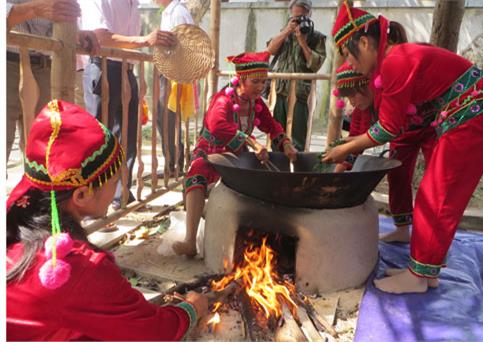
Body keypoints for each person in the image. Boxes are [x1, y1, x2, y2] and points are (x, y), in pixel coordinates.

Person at [326, 2, 483, 294]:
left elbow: (389, 128)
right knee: (435, 193)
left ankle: (417, 277)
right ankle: (424, 271)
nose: (349, 63)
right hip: (462, 118)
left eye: (347, 54)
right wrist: (350, 147)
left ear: (365, 43)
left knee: (438, 196)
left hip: (472, 116)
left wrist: (347, 148)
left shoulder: (395, 62)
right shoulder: (390, 64)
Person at [7, 100, 208, 340]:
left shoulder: (17, 213)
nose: (119, 186)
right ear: (81, 194)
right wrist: (191, 308)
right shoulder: (76, 268)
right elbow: (155, 333)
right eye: (115, 181)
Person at [172, 51, 298, 257]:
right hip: (211, 150)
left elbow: (271, 125)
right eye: (256, 82)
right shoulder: (223, 99)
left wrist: (285, 143)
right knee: (196, 173)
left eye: (264, 82)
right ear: (241, 79)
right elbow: (217, 125)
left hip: (236, 153)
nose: (261, 87)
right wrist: (252, 143)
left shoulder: (256, 103)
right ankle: (190, 241)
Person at [80, 0, 178, 209]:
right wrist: (145, 40)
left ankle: (120, 195)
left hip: (126, 70)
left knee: (128, 138)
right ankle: (93, 202)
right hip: (104, 67)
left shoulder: (133, 3)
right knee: (100, 140)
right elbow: (100, 36)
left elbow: (129, 43)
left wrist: (134, 73)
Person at [334, 60, 437, 243]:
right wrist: (336, 173)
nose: (352, 102)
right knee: (397, 175)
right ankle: (402, 229)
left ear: (367, 85)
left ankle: (434, 242)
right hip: (403, 135)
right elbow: (355, 141)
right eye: (348, 99)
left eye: (354, 96)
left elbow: (378, 133)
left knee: (435, 181)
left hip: (433, 126)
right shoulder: (361, 109)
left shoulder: (389, 94)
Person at [6, 0, 98, 163]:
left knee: (44, 154)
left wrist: (77, 34)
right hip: (7, 63)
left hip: (45, 66)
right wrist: (34, 9)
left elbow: (55, 16)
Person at [267, 0, 326, 151]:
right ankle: (277, 168)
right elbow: (270, 50)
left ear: (310, 15)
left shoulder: (316, 37)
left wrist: (303, 42)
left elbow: (315, 65)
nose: (300, 21)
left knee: (298, 140)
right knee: (276, 135)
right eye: (296, 17)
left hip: (301, 94)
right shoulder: (284, 33)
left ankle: (297, 169)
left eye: (303, 17)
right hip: (279, 90)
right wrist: (287, 31)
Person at [156, 0, 195, 175]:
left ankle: (174, 164)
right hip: (168, 70)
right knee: (164, 118)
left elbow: (186, 45)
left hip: (172, 73)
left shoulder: (178, 12)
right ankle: (173, 163)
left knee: (167, 119)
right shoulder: (170, 12)